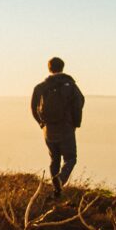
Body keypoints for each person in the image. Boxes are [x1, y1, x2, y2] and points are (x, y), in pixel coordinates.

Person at [31, 57, 85, 197]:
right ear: (62, 67)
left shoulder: (40, 87)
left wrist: (42, 124)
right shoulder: (70, 85)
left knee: (54, 159)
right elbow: (79, 103)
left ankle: (56, 191)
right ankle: (60, 180)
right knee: (70, 158)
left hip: (48, 130)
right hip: (66, 128)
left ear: (49, 68)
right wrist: (75, 124)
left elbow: (33, 108)